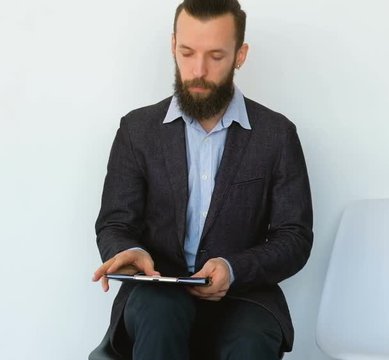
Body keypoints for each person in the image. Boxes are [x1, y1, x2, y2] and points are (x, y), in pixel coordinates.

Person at [91, 0, 313, 359]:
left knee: (251, 342)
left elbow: (295, 237)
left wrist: (233, 268)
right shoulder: (137, 130)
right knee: (161, 313)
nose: (198, 70)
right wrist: (129, 252)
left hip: (245, 294)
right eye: (187, 52)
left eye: (216, 56)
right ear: (172, 45)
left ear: (240, 55)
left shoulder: (277, 134)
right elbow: (116, 222)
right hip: (157, 293)